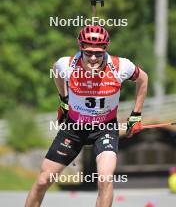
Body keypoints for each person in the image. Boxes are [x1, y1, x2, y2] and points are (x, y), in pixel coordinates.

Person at [25, 25, 148, 207]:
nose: (92, 58)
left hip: (105, 128)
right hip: (74, 127)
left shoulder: (120, 66)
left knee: (105, 179)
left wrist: (136, 114)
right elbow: (57, 72)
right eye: (87, 52)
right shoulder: (66, 64)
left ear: (106, 48)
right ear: (80, 47)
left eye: (98, 53)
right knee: (43, 180)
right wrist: (64, 99)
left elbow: (143, 78)